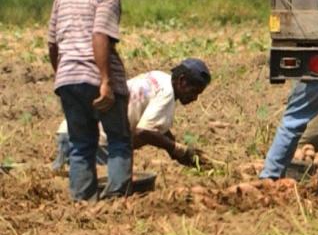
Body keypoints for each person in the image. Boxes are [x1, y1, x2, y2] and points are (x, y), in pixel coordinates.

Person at [47, 0, 131, 200]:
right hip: (96, 77)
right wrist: (105, 80)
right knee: (118, 140)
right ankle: (115, 200)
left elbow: (52, 43)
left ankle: (82, 202)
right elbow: (100, 35)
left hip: (68, 77)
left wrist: (61, 74)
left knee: (81, 143)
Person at [52, 59, 213, 171]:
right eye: (194, 91)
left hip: (70, 131)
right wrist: (177, 149)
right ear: (182, 81)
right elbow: (144, 131)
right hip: (96, 142)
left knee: (66, 188)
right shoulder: (167, 94)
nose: (195, 98)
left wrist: (178, 152)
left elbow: (157, 129)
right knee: (107, 192)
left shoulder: (158, 77)